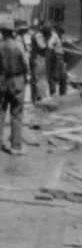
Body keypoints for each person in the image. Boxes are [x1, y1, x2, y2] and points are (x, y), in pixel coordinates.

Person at [0, 18, 29, 155]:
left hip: (2, 81)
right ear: (13, 32)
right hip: (17, 80)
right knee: (16, 113)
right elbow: (26, 63)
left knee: (1, 112)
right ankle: (15, 146)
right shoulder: (19, 46)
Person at [30, 24, 50, 101]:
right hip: (38, 59)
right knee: (39, 79)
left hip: (38, 59)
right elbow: (42, 46)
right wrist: (47, 40)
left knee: (37, 79)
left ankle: (36, 97)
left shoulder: (38, 35)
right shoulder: (38, 36)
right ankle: (38, 98)